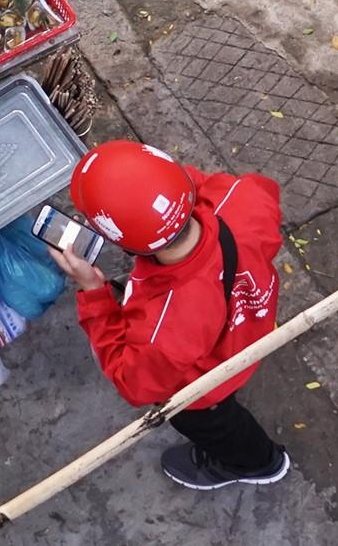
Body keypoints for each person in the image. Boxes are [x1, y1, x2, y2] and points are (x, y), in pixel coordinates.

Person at [49, 139, 289, 490]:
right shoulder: (242, 198)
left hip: (205, 387)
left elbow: (133, 381)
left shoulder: (165, 325)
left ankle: (258, 463)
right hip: (251, 325)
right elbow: (220, 188)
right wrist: (153, 190)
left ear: (126, 244)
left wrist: (93, 291)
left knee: (217, 425)